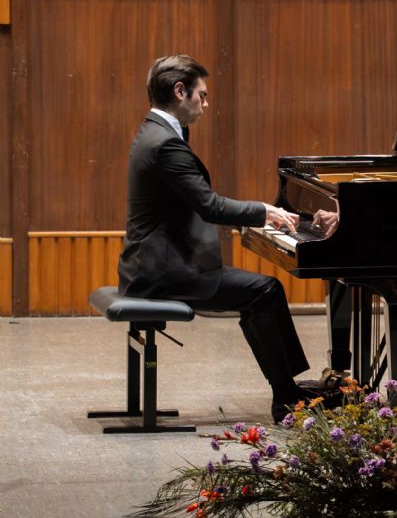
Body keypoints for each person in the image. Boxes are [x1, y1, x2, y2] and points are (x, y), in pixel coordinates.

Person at [118, 54, 317, 423]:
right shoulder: (165, 144)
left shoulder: (156, 133)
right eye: (203, 95)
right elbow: (209, 206)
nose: (207, 104)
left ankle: (289, 390)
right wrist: (264, 211)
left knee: (260, 292)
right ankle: (287, 397)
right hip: (164, 272)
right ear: (180, 91)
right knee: (265, 291)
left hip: (150, 264)